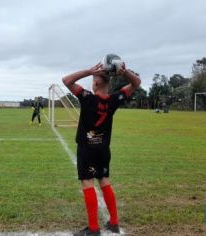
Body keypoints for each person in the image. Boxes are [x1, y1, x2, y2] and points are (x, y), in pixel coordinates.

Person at [62, 61, 140, 236]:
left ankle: (93, 228)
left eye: (93, 78)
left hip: (87, 149)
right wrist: (125, 73)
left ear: (96, 82)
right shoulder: (114, 99)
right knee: (104, 180)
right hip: (103, 150)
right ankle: (113, 223)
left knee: (87, 182)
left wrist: (88, 70)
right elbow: (136, 83)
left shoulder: (87, 97)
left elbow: (66, 80)